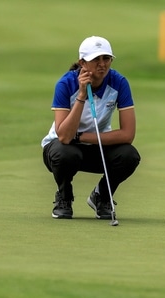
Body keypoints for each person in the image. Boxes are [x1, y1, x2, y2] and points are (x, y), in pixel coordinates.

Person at [41, 36, 141, 220]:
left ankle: (102, 197)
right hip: (61, 149)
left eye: (106, 58)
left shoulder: (119, 83)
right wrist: (81, 95)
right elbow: (63, 137)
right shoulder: (66, 84)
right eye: (96, 59)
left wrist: (82, 137)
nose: (102, 64)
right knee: (65, 154)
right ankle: (64, 197)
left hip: (95, 145)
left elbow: (128, 134)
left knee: (129, 155)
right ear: (82, 63)